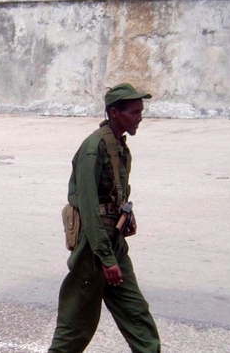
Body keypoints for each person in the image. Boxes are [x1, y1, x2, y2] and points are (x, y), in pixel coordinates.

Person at [48, 83, 161, 353]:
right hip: (94, 250)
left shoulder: (119, 146)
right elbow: (88, 208)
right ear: (114, 112)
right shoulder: (93, 148)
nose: (140, 117)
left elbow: (113, 194)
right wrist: (106, 259)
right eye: (134, 112)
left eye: (140, 111)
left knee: (138, 318)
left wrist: (125, 216)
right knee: (75, 329)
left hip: (113, 243)